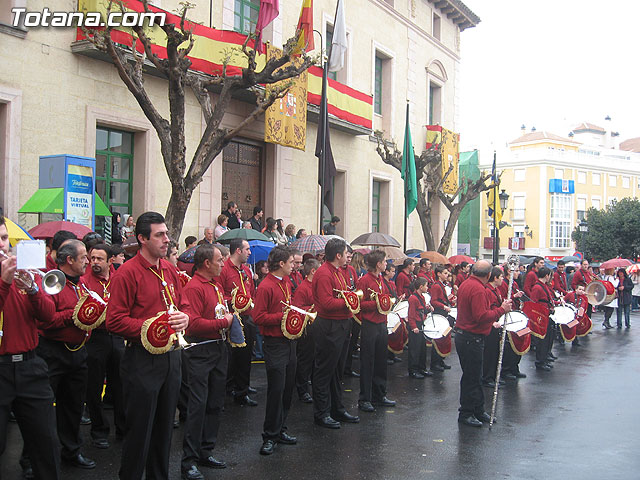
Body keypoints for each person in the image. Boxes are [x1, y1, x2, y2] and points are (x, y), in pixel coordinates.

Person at [106, 211, 190, 480]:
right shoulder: (127, 273)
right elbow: (114, 321)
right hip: (141, 361)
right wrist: (151, 328)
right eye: (160, 235)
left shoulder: (169, 268)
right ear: (142, 239)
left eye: (166, 233)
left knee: (165, 430)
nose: (167, 239)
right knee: (139, 432)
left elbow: (181, 305)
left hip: (171, 359)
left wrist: (184, 318)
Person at [0, 217, 61, 480]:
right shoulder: (6, 278)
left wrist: (34, 289)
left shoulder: (24, 272)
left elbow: (48, 315)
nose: (2, 245)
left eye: (4, 238)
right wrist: (4, 282)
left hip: (30, 366)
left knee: (46, 443)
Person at [37, 239, 96, 469]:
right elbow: (47, 320)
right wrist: (75, 313)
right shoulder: (51, 282)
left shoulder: (81, 285)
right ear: (69, 260)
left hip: (78, 352)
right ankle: (32, 458)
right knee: (41, 410)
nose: (87, 262)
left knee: (73, 407)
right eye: (83, 257)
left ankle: (71, 451)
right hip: (52, 352)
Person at [180, 244, 233, 479]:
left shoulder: (216, 285)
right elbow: (192, 324)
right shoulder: (193, 287)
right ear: (206, 264)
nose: (223, 263)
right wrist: (224, 323)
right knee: (198, 405)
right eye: (219, 260)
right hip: (201, 352)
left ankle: (205, 450)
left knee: (215, 403)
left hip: (218, 349)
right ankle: (188, 460)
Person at [253, 246, 299, 455]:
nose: (294, 266)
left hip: (288, 342)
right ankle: (269, 435)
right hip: (274, 344)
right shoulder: (266, 286)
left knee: (288, 389)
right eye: (291, 262)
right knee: (276, 390)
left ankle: (281, 428)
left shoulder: (286, 282)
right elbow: (258, 317)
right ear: (281, 264)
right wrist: (282, 317)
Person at [454, 260, 511, 427]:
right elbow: (481, 316)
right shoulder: (478, 289)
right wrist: (501, 310)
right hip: (471, 338)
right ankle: (466, 413)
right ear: (488, 275)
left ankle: (478, 409)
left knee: (475, 376)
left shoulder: (466, 284)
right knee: (472, 377)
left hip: (467, 336)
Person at [311, 238, 360, 429]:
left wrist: (348, 298)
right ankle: (321, 413)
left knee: (337, 371)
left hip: (341, 324)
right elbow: (326, 303)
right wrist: (351, 300)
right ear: (338, 255)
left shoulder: (338, 272)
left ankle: (336, 408)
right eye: (346, 253)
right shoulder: (324, 273)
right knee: (324, 371)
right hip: (329, 326)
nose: (348, 257)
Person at [82, 244, 125, 450]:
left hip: (117, 336)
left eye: (100, 259)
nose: (95, 263)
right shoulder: (84, 282)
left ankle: (123, 427)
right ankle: (99, 431)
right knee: (94, 386)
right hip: (96, 338)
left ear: (110, 261)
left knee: (120, 384)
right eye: (92, 259)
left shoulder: (120, 278)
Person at [356, 250, 396, 412]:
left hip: (381, 323)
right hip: (370, 324)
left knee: (381, 360)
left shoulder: (380, 279)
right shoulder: (364, 281)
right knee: (367, 361)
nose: (386, 264)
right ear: (378, 264)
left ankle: (379, 394)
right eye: (385, 262)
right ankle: (365, 398)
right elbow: (359, 305)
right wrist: (377, 303)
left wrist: (385, 302)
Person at [220, 238, 258, 406]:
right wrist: (235, 300)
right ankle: (229, 387)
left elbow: (252, 293)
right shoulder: (224, 270)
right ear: (238, 251)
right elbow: (220, 294)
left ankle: (242, 389)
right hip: (232, 318)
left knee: (246, 355)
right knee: (231, 356)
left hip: (247, 317)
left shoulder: (247, 271)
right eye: (247, 249)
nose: (249, 252)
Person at [294, 258, 319, 404]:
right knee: (305, 360)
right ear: (313, 271)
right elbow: (297, 308)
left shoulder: (315, 285)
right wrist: (311, 309)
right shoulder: (303, 288)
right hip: (307, 329)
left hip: (316, 327)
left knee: (315, 359)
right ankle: (302, 390)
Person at [482, 267, 506, 388]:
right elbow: (487, 309)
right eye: (501, 277)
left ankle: (494, 375)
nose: (502, 279)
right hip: (490, 324)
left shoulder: (496, 290)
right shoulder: (488, 291)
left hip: (497, 321)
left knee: (496, 351)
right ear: (495, 278)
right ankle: (487, 377)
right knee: (489, 352)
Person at [530, 267, 555, 371]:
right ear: (546, 276)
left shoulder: (543, 286)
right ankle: (540, 361)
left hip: (546, 315)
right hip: (541, 317)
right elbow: (534, 303)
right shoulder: (537, 287)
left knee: (547, 339)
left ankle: (544, 359)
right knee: (542, 341)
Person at [407, 277, 433, 379]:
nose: (427, 288)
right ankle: (413, 370)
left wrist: (428, 309)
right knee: (415, 349)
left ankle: (422, 368)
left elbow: (421, 311)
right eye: (426, 286)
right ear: (421, 287)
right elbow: (411, 314)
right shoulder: (413, 298)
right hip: (416, 325)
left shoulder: (421, 297)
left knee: (422, 348)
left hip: (421, 323)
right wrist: (413, 327)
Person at [429, 265, 453, 372]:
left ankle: (440, 360)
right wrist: (444, 306)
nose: (447, 275)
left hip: (443, 312)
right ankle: (435, 363)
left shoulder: (442, 285)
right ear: (438, 274)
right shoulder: (436, 286)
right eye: (445, 273)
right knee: (438, 338)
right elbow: (433, 301)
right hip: (439, 313)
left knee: (443, 338)